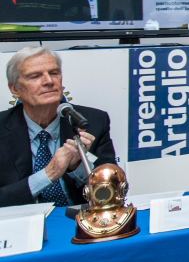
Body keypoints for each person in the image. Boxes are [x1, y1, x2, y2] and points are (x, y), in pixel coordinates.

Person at [0, 46, 117, 207]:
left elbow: (114, 189)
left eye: (54, 73)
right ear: (15, 88)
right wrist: (48, 174)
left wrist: (78, 166)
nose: (49, 81)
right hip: (21, 218)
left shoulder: (92, 121)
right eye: (35, 76)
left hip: (76, 217)